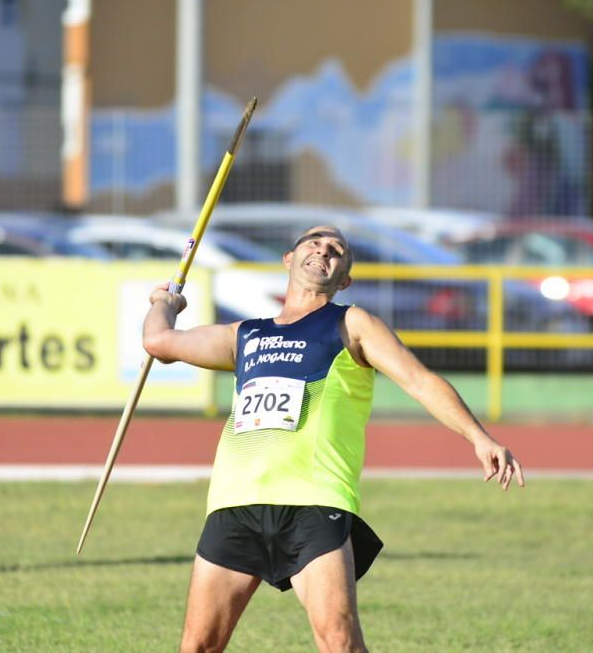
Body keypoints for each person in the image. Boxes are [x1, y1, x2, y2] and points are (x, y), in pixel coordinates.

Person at [143, 225, 524, 652]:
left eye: (336, 250)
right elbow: (159, 341)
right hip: (236, 503)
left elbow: (419, 380)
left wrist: (479, 437)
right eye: (314, 242)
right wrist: (165, 302)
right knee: (198, 647)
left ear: (344, 279)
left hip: (314, 501)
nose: (323, 250)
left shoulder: (352, 324)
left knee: (339, 641)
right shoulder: (244, 336)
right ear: (289, 258)